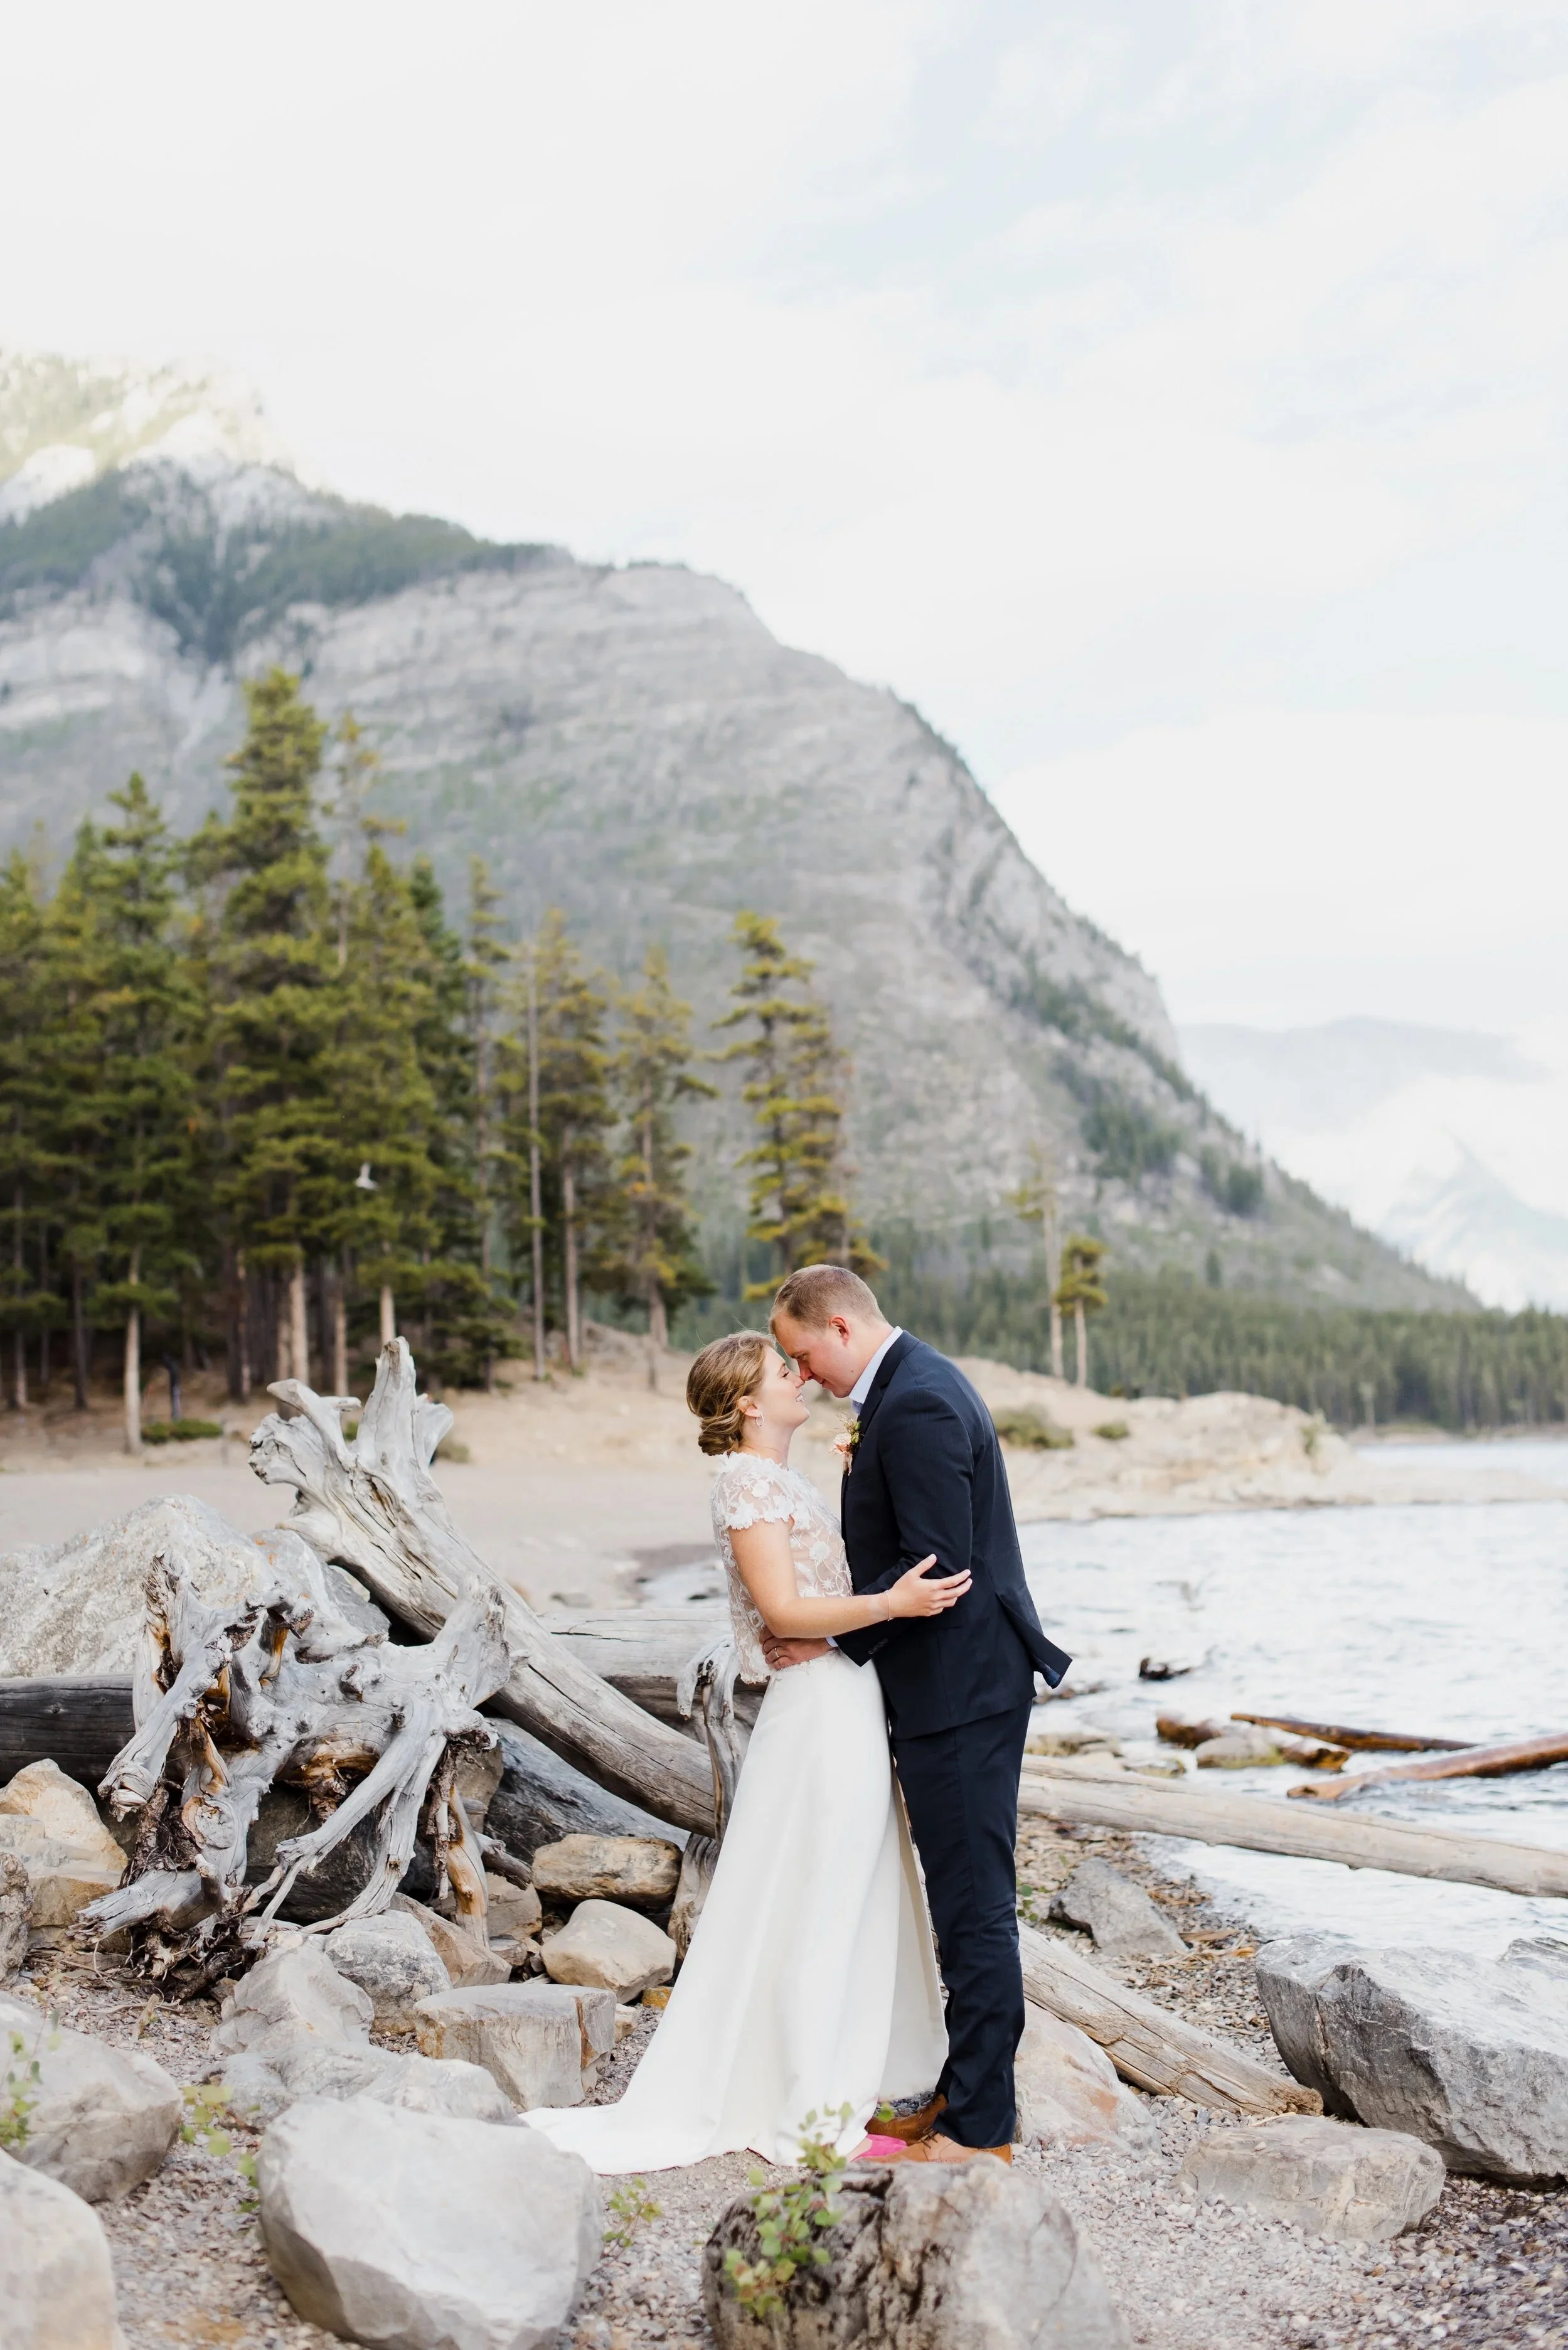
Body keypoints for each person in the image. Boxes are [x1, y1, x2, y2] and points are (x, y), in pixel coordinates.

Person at [523, 1328, 955, 2172]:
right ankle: (807, 2109)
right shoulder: (746, 1484)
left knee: (841, 1888)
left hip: (843, 1703)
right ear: (749, 1403)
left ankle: (837, 2078)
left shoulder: (775, 1479)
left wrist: (850, 1485)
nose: (799, 1377)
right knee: (819, 1896)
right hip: (820, 1714)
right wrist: (894, 1604)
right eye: (780, 1370)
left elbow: (812, 1588)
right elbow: (786, 1615)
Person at [769, 1265, 1071, 2164]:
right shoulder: (905, 1390)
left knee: (974, 1909)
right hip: (951, 1688)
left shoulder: (917, 1403)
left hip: (961, 1693)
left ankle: (983, 2132)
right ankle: (957, 2093)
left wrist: (830, 1639)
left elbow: (934, 1574)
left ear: (837, 1326)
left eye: (802, 1354)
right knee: (957, 1901)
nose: (804, 1374)